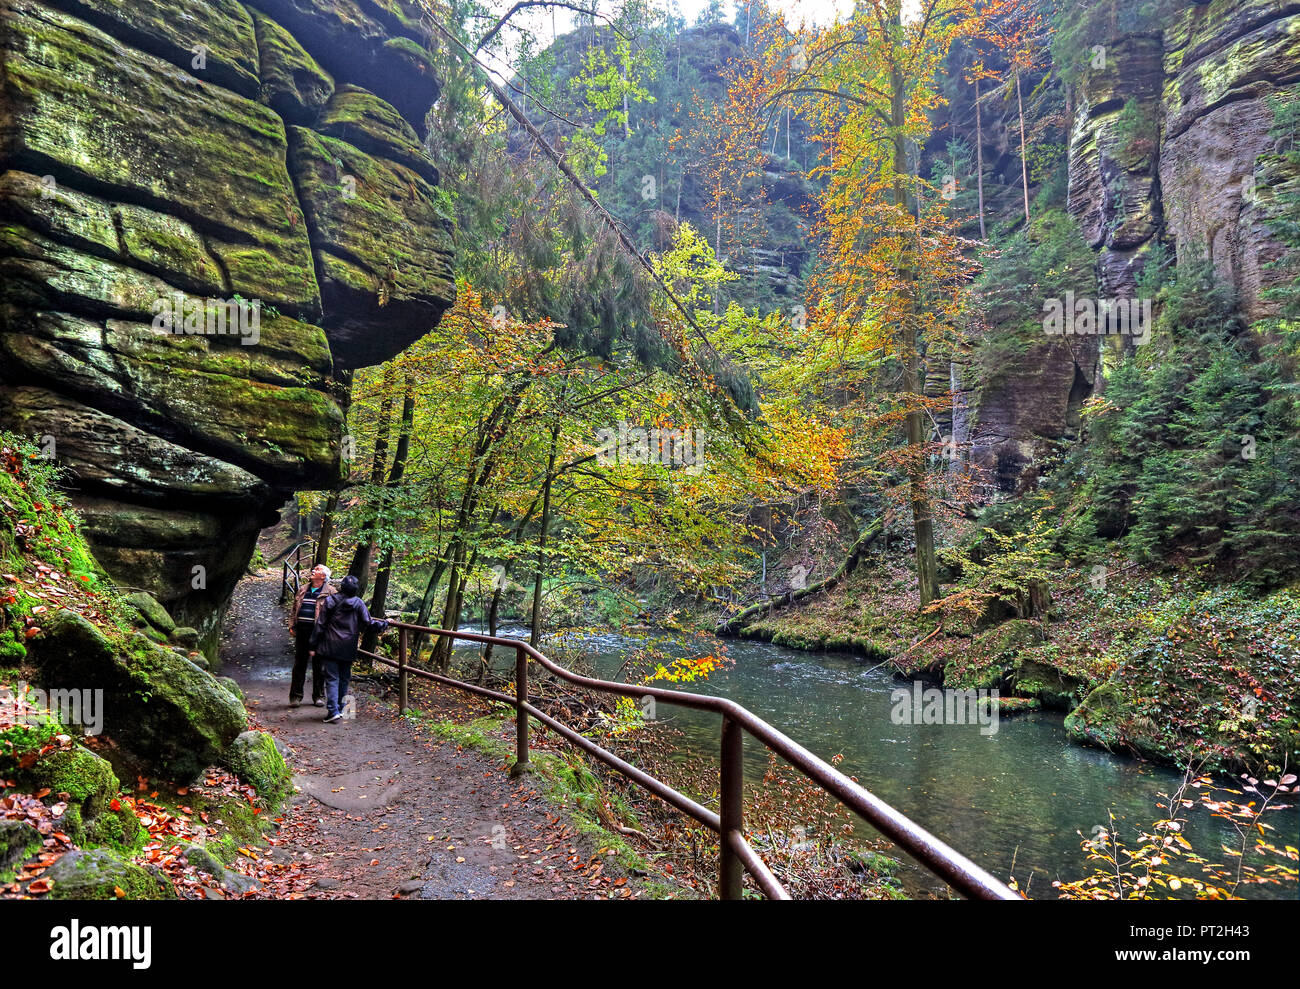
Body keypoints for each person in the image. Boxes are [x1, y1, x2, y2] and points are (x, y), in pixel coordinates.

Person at [310, 574, 388, 724]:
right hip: (348, 646)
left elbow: (320, 624)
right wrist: (385, 624)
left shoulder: (331, 600)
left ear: (342, 587)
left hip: (330, 645)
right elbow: (369, 623)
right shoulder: (358, 603)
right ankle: (339, 708)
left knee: (332, 678)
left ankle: (333, 711)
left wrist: (313, 645)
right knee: (344, 679)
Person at [288, 564, 336, 707]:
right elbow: (294, 609)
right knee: (299, 664)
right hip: (302, 632)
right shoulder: (303, 589)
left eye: (317, 569)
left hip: (320, 634)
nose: (313, 571)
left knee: (319, 665)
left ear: (323, 576)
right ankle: (295, 697)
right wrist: (291, 625)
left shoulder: (331, 592)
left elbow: (335, 614)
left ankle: (319, 696)